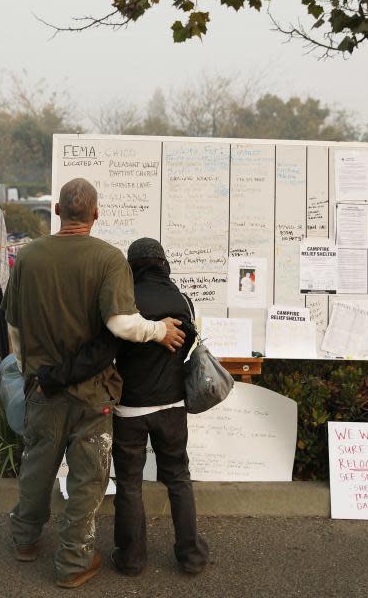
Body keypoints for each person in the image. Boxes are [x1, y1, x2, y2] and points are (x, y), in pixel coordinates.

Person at [2, 178, 186, 589]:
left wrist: (28, 368)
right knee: (87, 480)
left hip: (43, 389)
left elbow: (13, 325)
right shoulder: (108, 259)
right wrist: (159, 331)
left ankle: (24, 540)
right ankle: (73, 562)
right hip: (92, 393)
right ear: (96, 214)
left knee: (37, 467)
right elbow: (120, 323)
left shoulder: (28, 257)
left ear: (56, 210)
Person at [111, 238, 209, 576]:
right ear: (163, 263)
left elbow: (111, 348)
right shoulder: (181, 300)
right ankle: (191, 555)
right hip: (171, 406)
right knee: (178, 478)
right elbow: (190, 343)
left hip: (130, 408)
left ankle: (132, 558)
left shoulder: (126, 300)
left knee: (129, 482)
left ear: (131, 265)